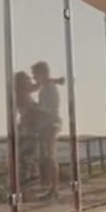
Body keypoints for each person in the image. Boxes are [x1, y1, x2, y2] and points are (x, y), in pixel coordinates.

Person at [30, 61, 65, 198]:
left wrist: (36, 108)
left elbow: (51, 107)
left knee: (50, 156)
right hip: (46, 125)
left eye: (35, 74)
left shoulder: (50, 88)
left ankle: (54, 189)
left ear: (42, 73)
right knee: (47, 156)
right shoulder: (46, 87)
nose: (34, 78)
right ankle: (52, 187)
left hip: (51, 124)